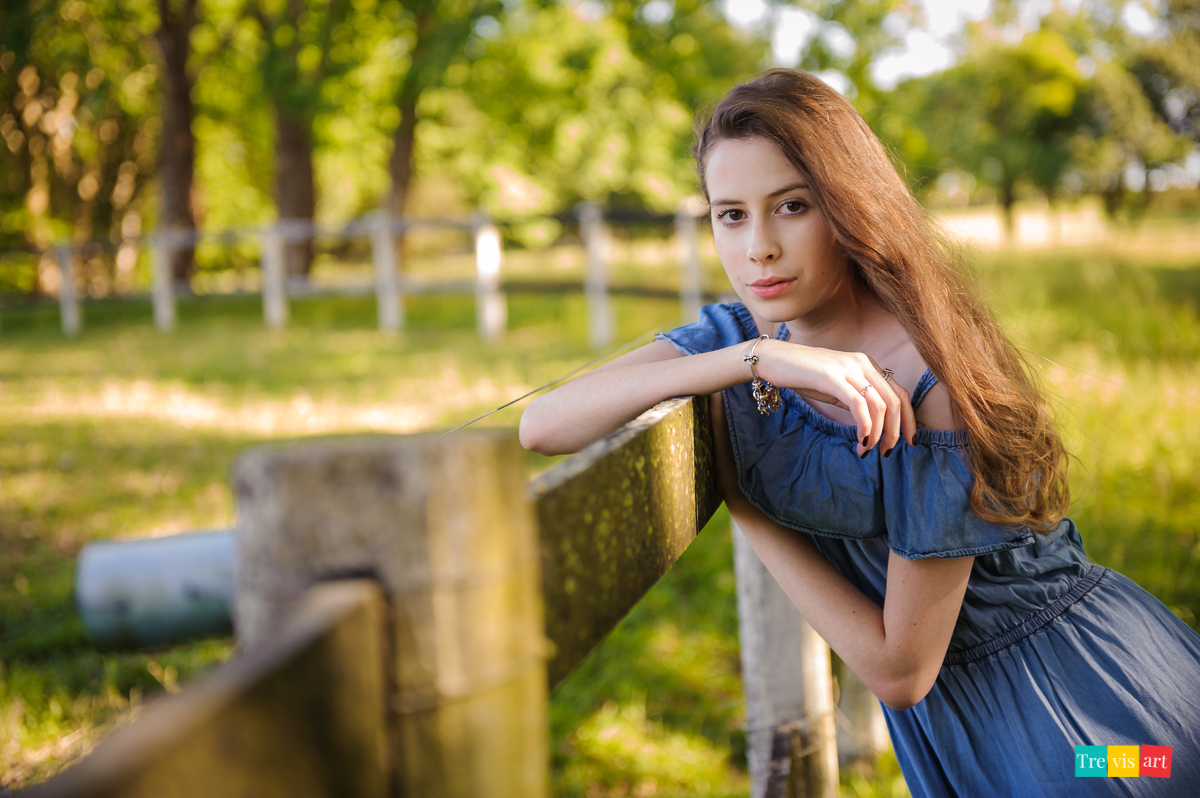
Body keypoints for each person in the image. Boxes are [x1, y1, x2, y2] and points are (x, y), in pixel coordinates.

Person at [519, 68, 1200, 796]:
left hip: (1081, 719)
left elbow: (900, 671)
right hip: (963, 721)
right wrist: (752, 357)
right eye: (731, 214)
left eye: (791, 205)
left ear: (847, 206)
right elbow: (542, 424)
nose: (760, 249)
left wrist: (744, 502)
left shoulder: (928, 377)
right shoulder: (744, 335)